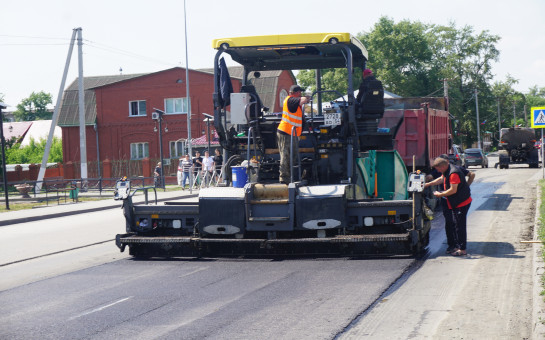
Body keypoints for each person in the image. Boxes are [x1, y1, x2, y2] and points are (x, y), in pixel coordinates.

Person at [426, 154, 475, 254]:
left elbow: (453, 190)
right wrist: (428, 184)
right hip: (455, 202)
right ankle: (456, 246)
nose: (438, 172)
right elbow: (441, 179)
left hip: (461, 202)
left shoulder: (453, 173)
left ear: (443, 166)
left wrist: (441, 194)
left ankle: (462, 249)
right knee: (454, 223)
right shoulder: (447, 171)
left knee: (459, 225)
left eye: (438, 169)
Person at [276, 84, 309, 184]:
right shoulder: (290, 100)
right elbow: (303, 100)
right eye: (300, 93)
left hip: (292, 133)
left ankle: (291, 176)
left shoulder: (293, 102)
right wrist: (307, 98)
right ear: (297, 93)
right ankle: (284, 178)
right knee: (285, 155)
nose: (301, 94)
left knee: (292, 156)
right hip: (286, 132)